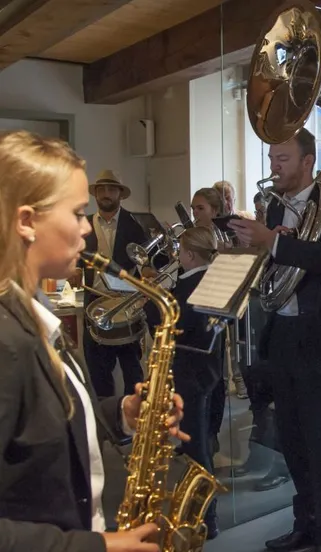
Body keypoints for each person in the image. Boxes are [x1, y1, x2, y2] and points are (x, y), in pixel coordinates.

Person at [0, 129, 187, 552]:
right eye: (77, 213)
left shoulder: (32, 310)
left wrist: (122, 413)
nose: (86, 227)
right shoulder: (6, 340)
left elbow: (44, 428)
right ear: (26, 221)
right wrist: (98, 546)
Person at [228, 128, 321, 552]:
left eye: (282, 159)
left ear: (307, 161)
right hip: (281, 332)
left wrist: (272, 242)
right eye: (271, 159)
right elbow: (273, 265)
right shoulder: (273, 206)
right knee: (291, 438)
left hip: (316, 334)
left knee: (318, 441)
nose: (273, 167)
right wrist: (251, 249)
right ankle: (304, 523)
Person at [143, 226, 222, 539]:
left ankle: (206, 516)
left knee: (195, 448)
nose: (176, 256)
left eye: (179, 251)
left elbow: (167, 323)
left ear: (189, 254)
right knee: (199, 443)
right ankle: (202, 512)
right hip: (208, 371)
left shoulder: (189, 286)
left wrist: (150, 297)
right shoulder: (210, 279)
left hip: (190, 373)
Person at [82, 169, 148, 398]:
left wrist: (146, 275)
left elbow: (147, 262)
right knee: (98, 371)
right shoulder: (84, 225)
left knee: (132, 370)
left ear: (120, 194)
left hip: (127, 303)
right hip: (94, 303)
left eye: (111, 189)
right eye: (101, 189)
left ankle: (134, 416)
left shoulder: (135, 224)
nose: (106, 194)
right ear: (95, 194)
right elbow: (78, 259)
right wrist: (75, 270)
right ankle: (107, 416)